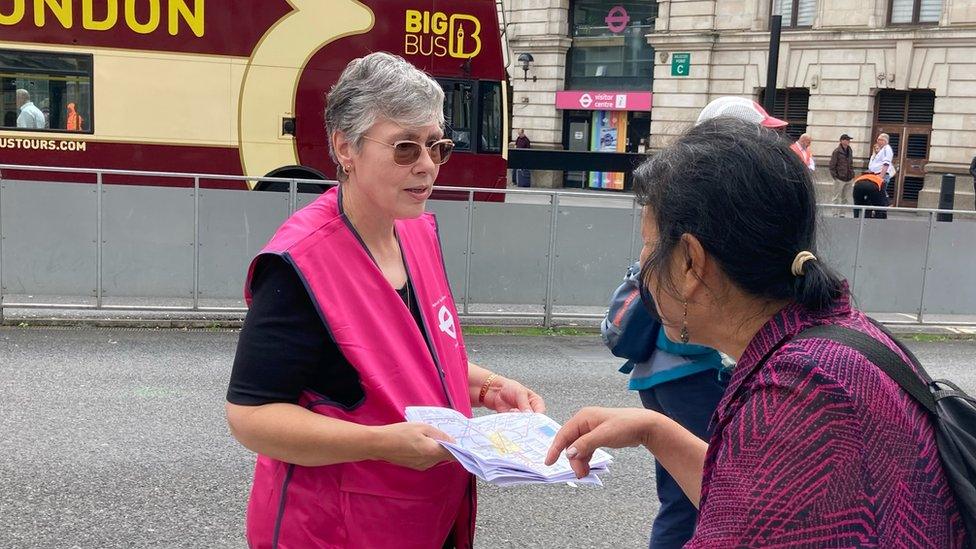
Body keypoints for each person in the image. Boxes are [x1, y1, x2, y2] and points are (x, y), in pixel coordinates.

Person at [547, 116, 967, 547]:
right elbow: (747, 496)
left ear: (690, 261)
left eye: (649, 243)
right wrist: (653, 430)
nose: (642, 265)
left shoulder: (796, 394)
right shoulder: (832, 342)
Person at [225, 52, 545, 549]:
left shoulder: (416, 230)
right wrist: (378, 443)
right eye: (404, 148)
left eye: (437, 147)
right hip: (334, 528)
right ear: (344, 147)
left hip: (425, 517)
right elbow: (251, 416)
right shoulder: (298, 263)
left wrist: (489, 387)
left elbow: (415, 358)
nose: (426, 167)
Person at [601, 263, 727, 549]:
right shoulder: (691, 257)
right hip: (690, 378)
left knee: (677, 493)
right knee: (703, 489)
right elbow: (684, 338)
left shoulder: (660, 253)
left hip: (652, 379)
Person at [828, 133, 855, 205]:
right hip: (839, 178)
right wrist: (835, 176)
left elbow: (851, 163)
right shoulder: (837, 151)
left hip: (849, 177)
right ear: (841, 141)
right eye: (846, 140)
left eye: (849, 140)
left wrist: (852, 174)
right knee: (836, 196)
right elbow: (832, 165)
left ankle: (842, 213)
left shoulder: (850, 150)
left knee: (845, 197)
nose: (848, 141)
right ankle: (835, 213)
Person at [869, 132, 895, 197]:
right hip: (876, 174)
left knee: (880, 193)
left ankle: (886, 205)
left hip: (882, 175)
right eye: (878, 140)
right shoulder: (882, 149)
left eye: (879, 140)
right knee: (877, 193)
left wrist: (881, 176)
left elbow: (886, 163)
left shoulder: (887, 149)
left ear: (884, 141)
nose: (877, 141)